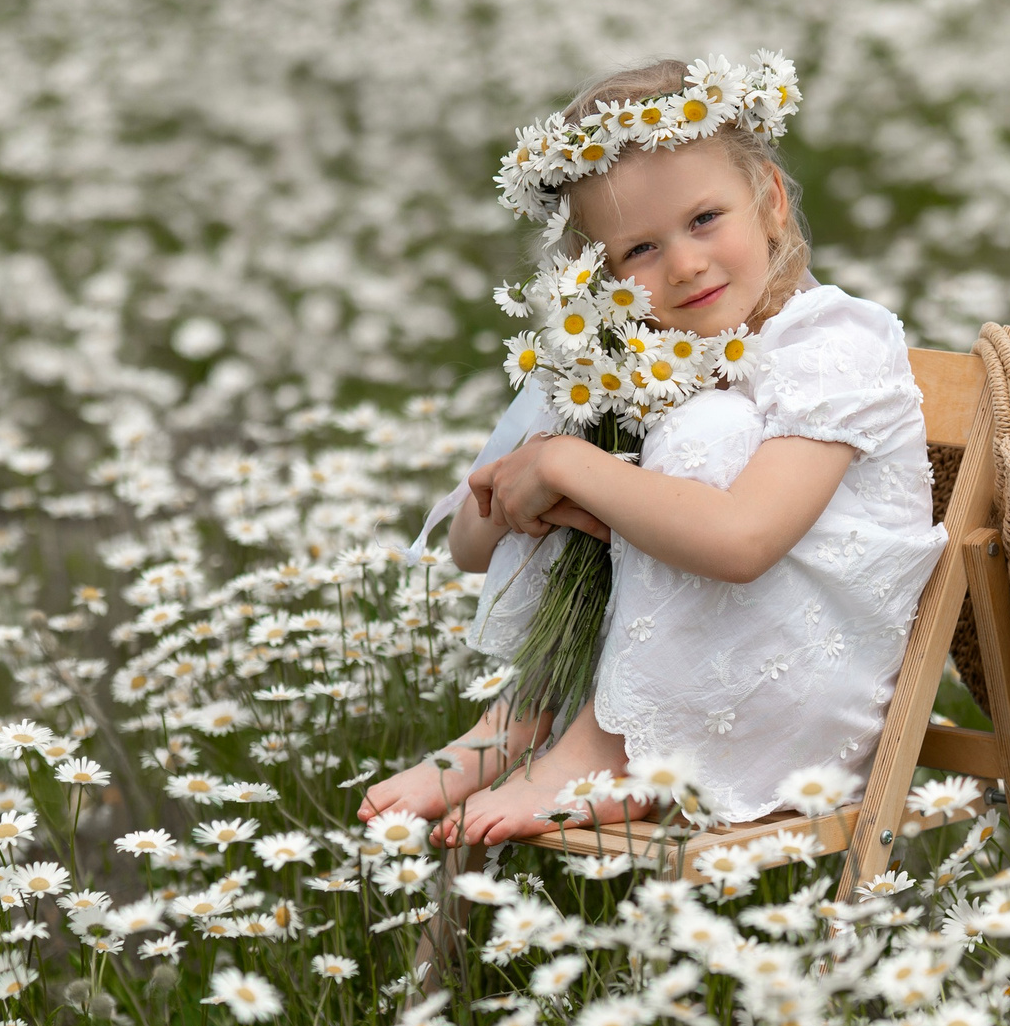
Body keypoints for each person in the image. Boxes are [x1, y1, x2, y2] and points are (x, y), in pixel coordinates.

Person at [358, 54, 947, 846]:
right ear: (597, 278)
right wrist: (542, 472)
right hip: (663, 683)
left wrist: (575, 471)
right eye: (639, 251)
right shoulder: (624, 358)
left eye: (705, 219)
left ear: (770, 201)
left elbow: (742, 541)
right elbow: (470, 544)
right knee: (600, 425)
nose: (685, 264)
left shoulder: (830, 343)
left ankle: (608, 752)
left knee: (705, 429)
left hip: (797, 697)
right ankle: (520, 720)